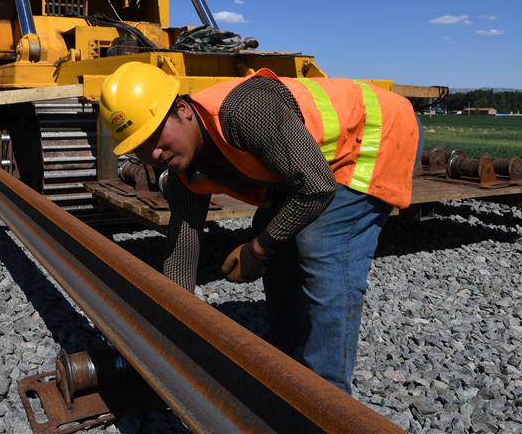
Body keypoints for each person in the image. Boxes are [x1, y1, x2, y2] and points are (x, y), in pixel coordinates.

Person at [99, 62, 421, 394]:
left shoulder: (244, 112)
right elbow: (182, 248)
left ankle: (327, 399)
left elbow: (317, 187)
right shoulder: (185, 173)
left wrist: (257, 248)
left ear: (182, 110)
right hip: (316, 165)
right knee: (276, 238)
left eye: (154, 135)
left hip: (374, 136)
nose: (152, 153)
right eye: (139, 146)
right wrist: (173, 326)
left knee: (321, 245)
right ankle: (286, 360)